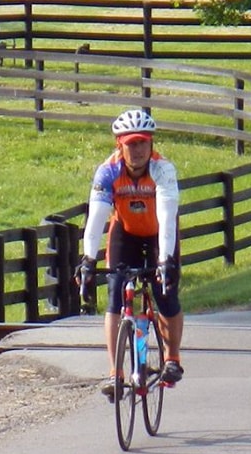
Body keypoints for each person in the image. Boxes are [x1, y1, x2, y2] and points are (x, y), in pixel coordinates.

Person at [77, 108, 184, 401]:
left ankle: (172, 359)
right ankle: (116, 373)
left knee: (166, 294)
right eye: (130, 144)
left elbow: (166, 216)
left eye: (142, 143)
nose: (137, 150)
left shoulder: (163, 169)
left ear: (151, 144)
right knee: (114, 297)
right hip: (125, 234)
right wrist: (88, 260)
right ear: (119, 146)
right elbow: (97, 217)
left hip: (159, 233)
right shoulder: (108, 171)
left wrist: (166, 260)